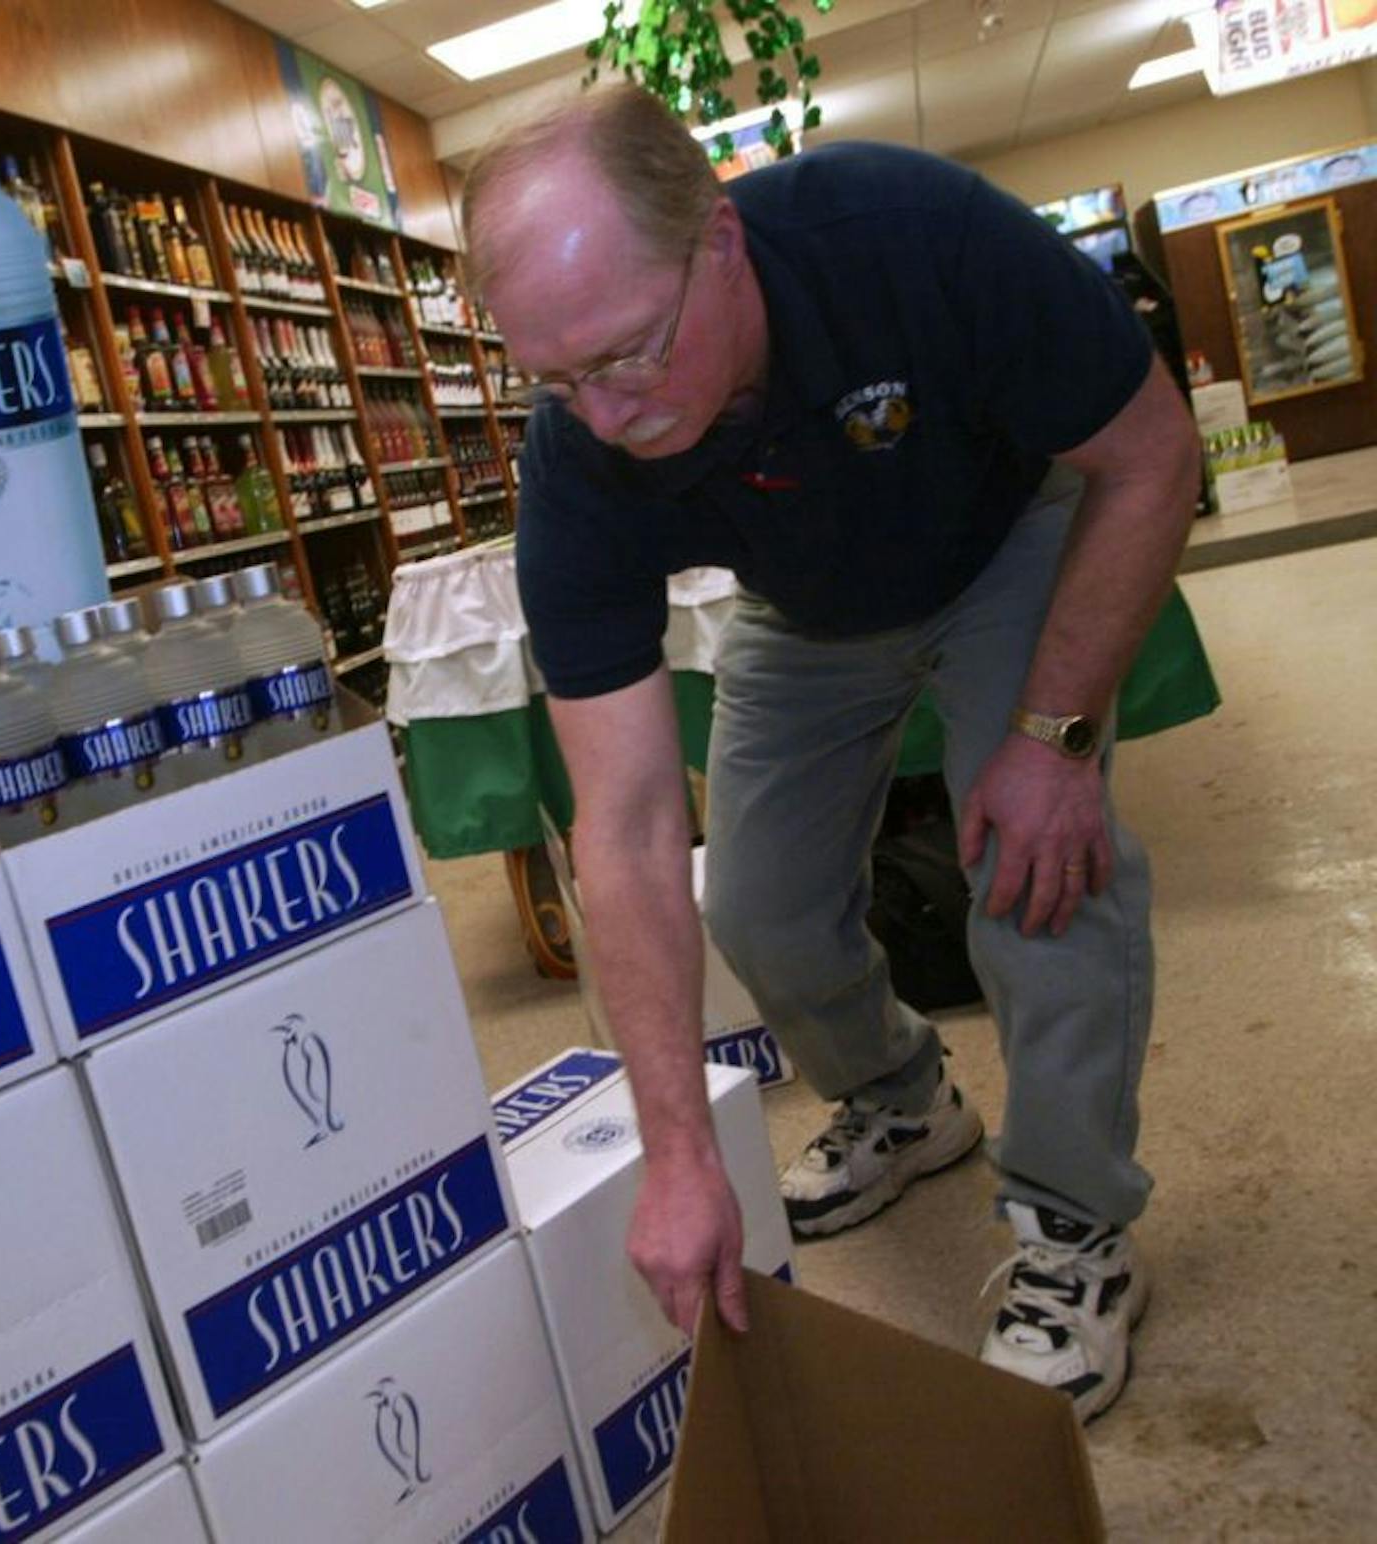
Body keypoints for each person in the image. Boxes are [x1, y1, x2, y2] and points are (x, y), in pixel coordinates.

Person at [462, 86, 1199, 1421]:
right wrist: (679, 1152)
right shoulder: (577, 461)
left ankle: (1075, 1227)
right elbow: (623, 829)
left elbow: (1153, 456)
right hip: (805, 606)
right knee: (756, 907)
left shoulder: (903, 231)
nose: (608, 416)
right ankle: (905, 1100)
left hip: (1006, 539)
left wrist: (1054, 741)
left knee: (1036, 871)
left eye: (630, 353)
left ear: (721, 242)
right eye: (555, 381)